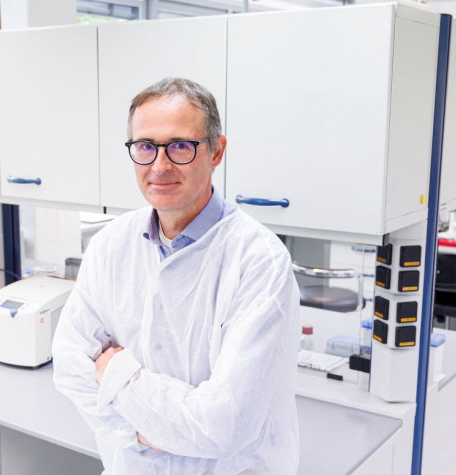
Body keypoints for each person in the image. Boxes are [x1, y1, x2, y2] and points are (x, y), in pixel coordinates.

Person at [52, 77, 300, 474]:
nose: (160, 166)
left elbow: (224, 426)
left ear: (216, 151)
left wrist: (116, 374)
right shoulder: (110, 245)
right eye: (145, 147)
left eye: (181, 146)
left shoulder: (260, 260)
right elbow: (69, 366)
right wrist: (145, 431)